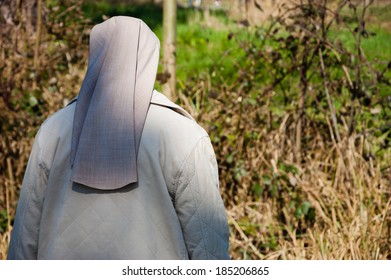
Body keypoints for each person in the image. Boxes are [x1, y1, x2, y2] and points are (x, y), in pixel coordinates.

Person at [7, 16, 230, 260]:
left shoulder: (53, 131)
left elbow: (23, 241)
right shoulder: (183, 135)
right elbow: (210, 250)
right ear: (148, 58)